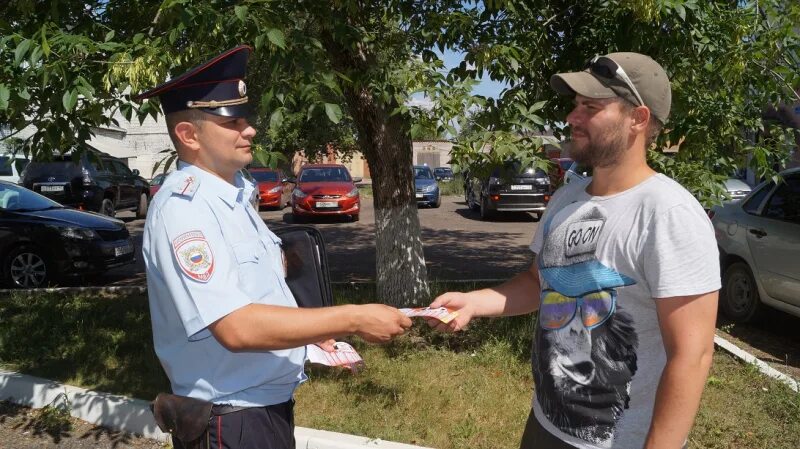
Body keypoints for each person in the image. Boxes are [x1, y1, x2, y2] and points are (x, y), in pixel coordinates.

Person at [429, 52, 720, 449]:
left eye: (591, 107)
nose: (572, 117)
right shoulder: (566, 199)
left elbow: (692, 355)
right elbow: (537, 282)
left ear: (638, 118)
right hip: (546, 425)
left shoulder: (669, 214)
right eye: (576, 105)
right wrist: (473, 303)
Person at [137, 45, 412, 449]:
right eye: (231, 122)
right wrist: (351, 318)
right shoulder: (185, 209)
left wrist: (310, 335)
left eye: (246, 119)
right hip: (231, 419)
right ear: (188, 135)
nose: (248, 130)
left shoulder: (232, 196)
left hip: (262, 409)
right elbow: (236, 326)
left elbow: (260, 297)